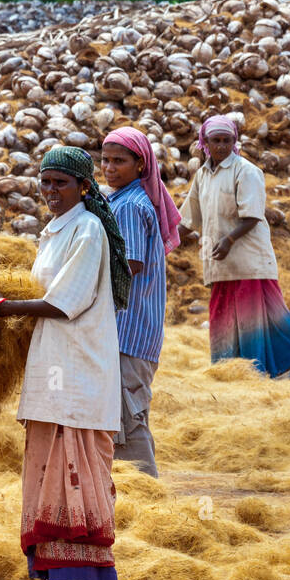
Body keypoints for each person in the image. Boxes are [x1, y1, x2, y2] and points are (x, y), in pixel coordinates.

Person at [0, 146, 130, 580]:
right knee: (47, 466)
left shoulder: (87, 230)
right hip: (53, 367)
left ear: (84, 187)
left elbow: (64, 301)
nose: (50, 191)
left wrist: (5, 308)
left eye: (60, 184)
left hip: (78, 370)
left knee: (77, 468)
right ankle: (62, 578)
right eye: (45, 183)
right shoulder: (56, 230)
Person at [177, 115, 290, 379]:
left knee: (262, 315)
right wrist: (164, 243)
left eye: (226, 140)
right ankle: (229, 372)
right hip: (221, 260)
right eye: (215, 140)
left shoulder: (246, 171)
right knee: (224, 316)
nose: (221, 146)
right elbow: (189, 218)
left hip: (248, 259)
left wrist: (229, 240)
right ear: (204, 142)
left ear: (234, 141)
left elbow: (252, 215)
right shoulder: (202, 175)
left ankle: (284, 366)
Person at [101, 126, 174, 477]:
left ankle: (147, 492)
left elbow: (130, 264)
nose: (110, 168)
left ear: (140, 165)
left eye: (120, 161)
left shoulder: (129, 205)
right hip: (130, 327)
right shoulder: (120, 198)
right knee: (127, 413)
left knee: (128, 417)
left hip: (129, 328)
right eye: (105, 160)